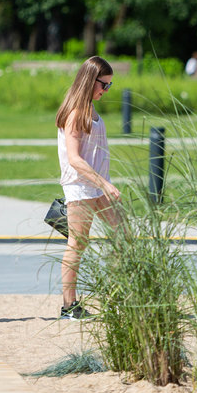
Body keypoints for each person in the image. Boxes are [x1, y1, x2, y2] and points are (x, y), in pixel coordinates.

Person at [56, 56, 122, 320]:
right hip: (81, 188)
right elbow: (74, 159)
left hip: (97, 187)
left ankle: (116, 296)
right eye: (103, 85)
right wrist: (104, 182)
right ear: (89, 80)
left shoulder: (92, 110)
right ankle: (69, 306)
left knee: (123, 234)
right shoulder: (74, 114)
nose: (105, 90)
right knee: (77, 243)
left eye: (109, 85)